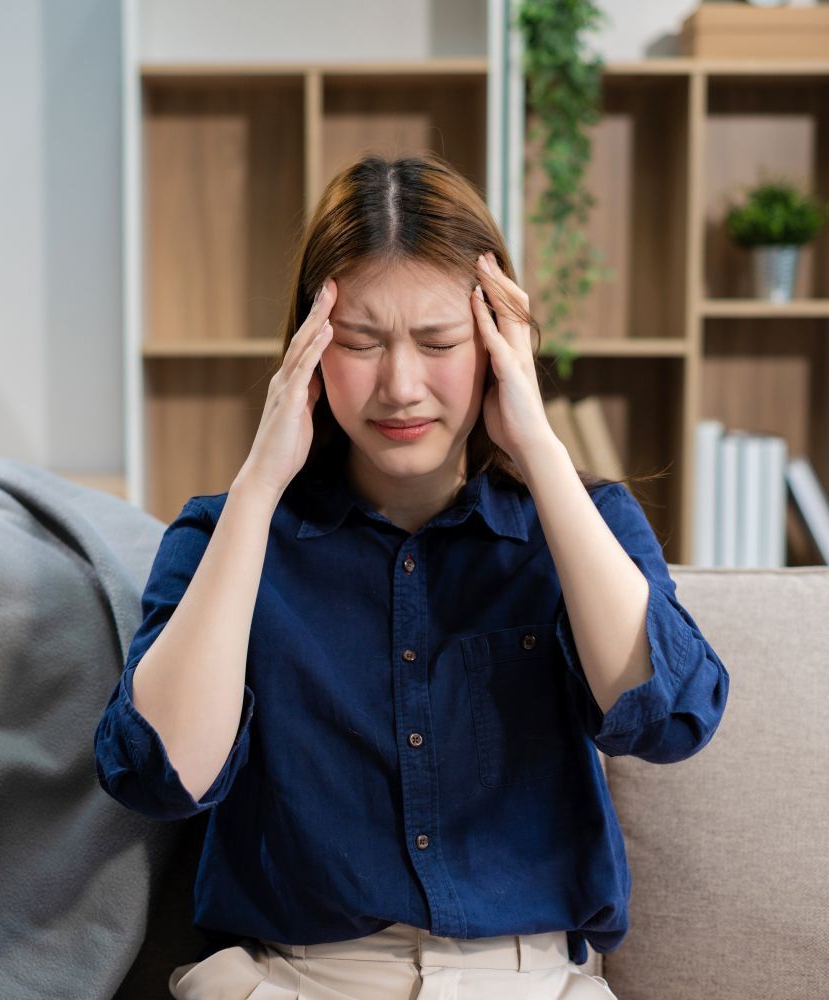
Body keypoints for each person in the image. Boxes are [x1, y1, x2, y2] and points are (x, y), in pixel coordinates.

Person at [93, 151, 730, 999]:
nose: (400, 387)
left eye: (439, 343)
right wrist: (258, 487)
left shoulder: (581, 523)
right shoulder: (225, 534)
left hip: (530, 982)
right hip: (300, 982)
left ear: (498, 342)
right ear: (308, 350)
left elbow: (669, 720)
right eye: (360, 343)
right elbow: (162, 775)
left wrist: (538, 445)